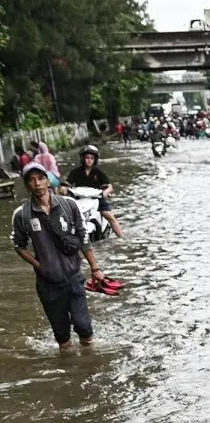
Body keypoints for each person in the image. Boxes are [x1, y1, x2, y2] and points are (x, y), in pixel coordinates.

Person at [10, 162, 107, 350]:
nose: (37, 183)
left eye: (40, 178)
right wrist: (39, 266)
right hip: (48, 284)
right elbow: (18, 246)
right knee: (62, 338)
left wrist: (95, 268)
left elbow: (83, 237)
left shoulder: (68, 205)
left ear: (48, 181)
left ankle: (89, 365)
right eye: (31, 180)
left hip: (73, 277)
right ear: (26, 185)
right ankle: (70, 372)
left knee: (84, 327)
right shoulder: (22, 215)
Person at [65, 145, 125, 237]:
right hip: (79, 200)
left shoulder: (98, 172)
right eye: (87, 157)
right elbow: (67, 183)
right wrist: (63, 189)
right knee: (67, 218)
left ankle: (122, 238)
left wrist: (106, 192)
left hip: (96, 199)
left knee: (110, 217)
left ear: (95, 160)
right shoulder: (75, 172)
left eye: (91, 158)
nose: (89, 160)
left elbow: (109, 186)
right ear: (83, 158)